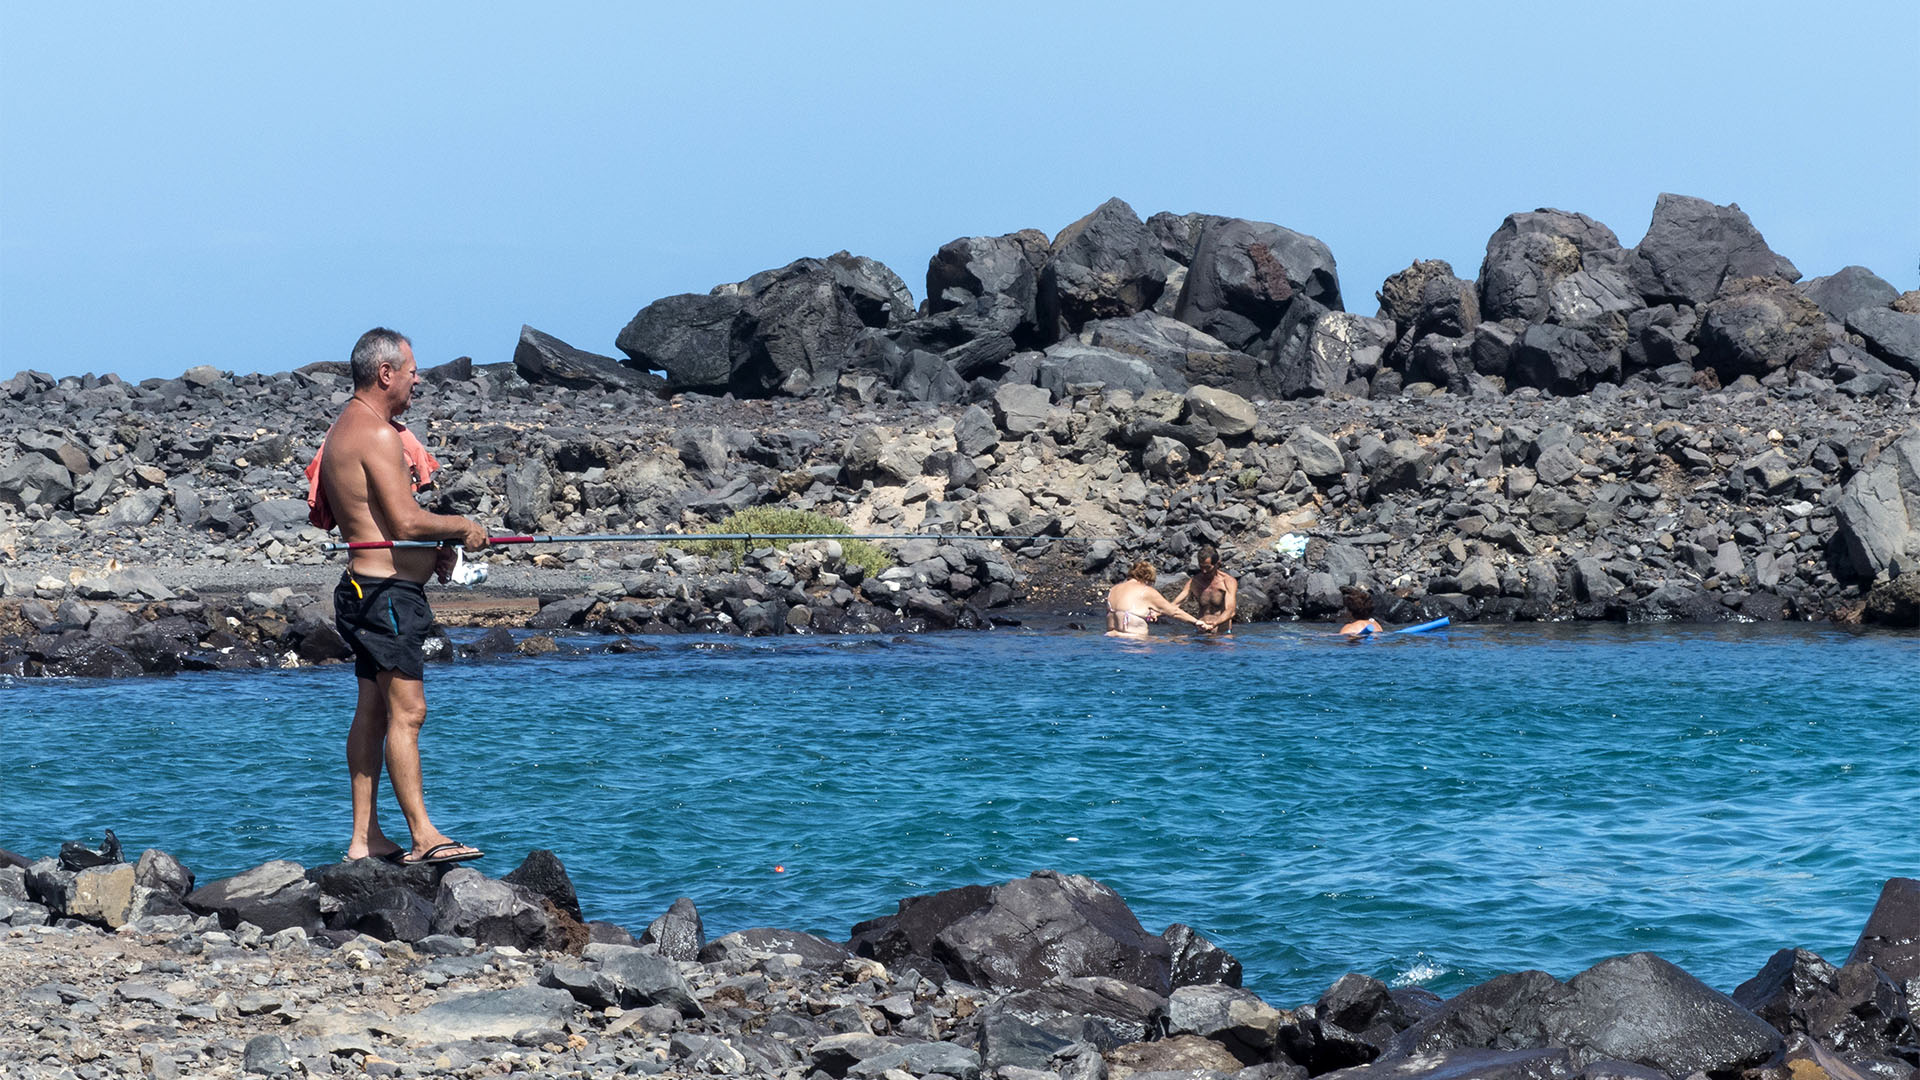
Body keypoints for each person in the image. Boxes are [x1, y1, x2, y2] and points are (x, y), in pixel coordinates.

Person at [318, 328, 491, 866]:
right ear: (385, 373)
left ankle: (364, 839)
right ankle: (423, 834)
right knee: (408, 712)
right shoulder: (376, 434)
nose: (418, 378)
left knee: (372, 709)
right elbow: (404, 519)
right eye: (412, 369)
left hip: (364, 588)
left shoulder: (346, 428)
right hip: (387, 596)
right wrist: (461, 527)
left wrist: (430, 548)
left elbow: (387, 527)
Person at [1106, 560, 1210, 638]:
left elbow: (1124, 612)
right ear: (1147, 578)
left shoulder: (1113, 590)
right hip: (1134, 643)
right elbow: (1173, 612)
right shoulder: (1145, 591)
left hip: (1110, 639)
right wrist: (1196, 622)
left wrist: (1147, 615)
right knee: (1178, 640)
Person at [1170, 545, 1237, 635]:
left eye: (1208, 567)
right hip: (1201, 634)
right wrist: (1156, 612)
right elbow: (1175, 604)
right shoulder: (1195, 582)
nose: (1204, 571)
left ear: (1217, 564)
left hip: (1222, 634)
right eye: (1201, 567)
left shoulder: (1227, 582)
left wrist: (1215, 623)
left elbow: (1230, 611)